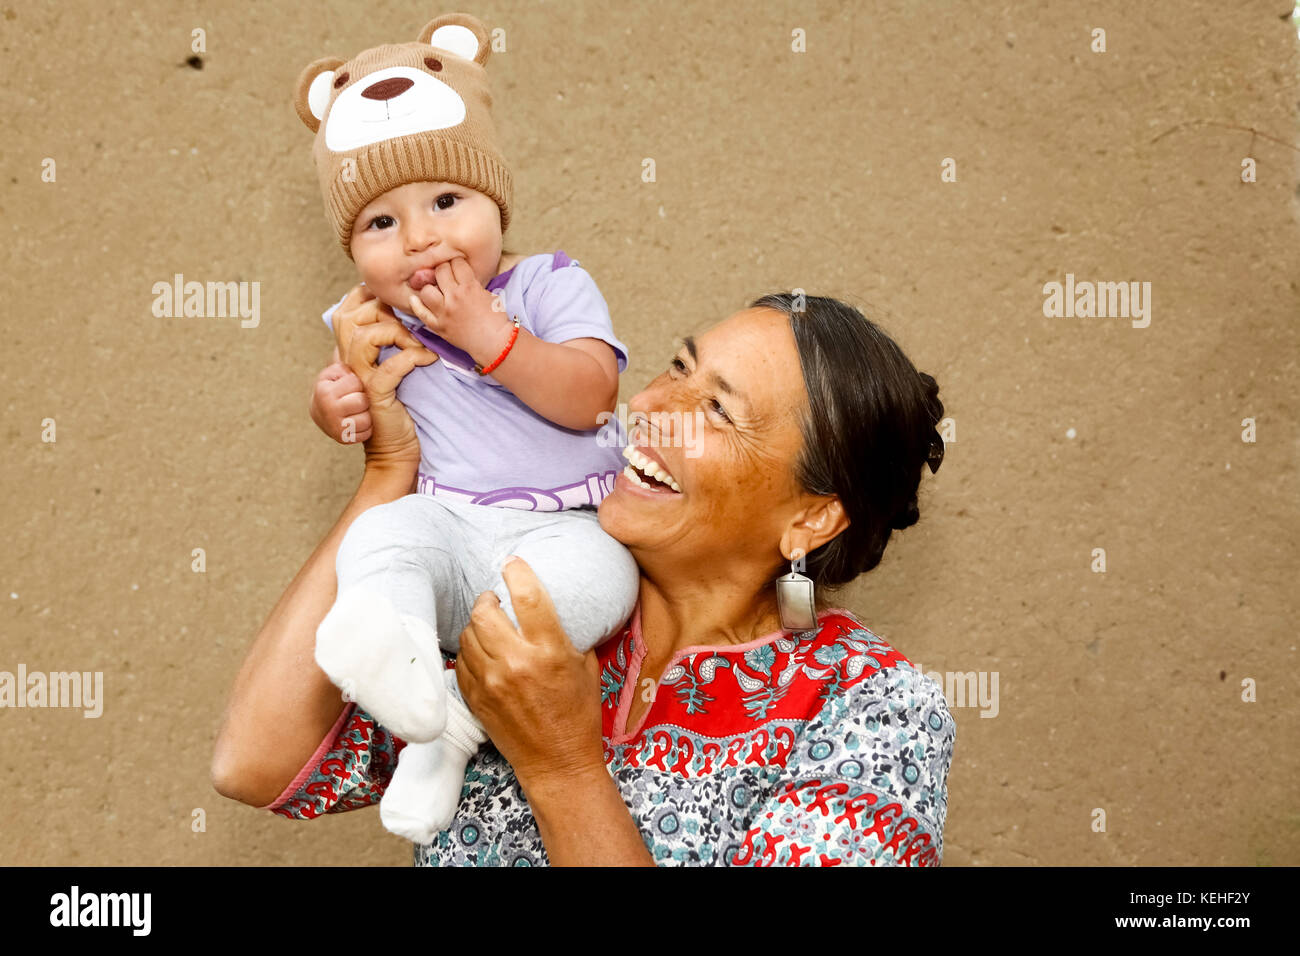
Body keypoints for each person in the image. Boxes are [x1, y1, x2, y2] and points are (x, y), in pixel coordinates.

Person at [212, 291, 957, 867]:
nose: (650, 407)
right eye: (677, 367)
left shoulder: (873, 710)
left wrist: (563, 768)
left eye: (717, 410)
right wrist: (388, 473)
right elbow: (257, 761)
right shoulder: (533, 590)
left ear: (813, 519)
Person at [292, 11, 639, 842]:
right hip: (449, 524)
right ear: (354, 250)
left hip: (564, 528)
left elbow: (592, 393)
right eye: (381, 223)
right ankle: (399, 653)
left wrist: (491, 335)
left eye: (446, 201)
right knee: (382, 541)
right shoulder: (370, 317)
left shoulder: (549, 284)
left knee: (608, 581)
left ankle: (444, 725)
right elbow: (353, 400)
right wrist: (336, 406)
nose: (419, 238)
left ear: (496, 202)